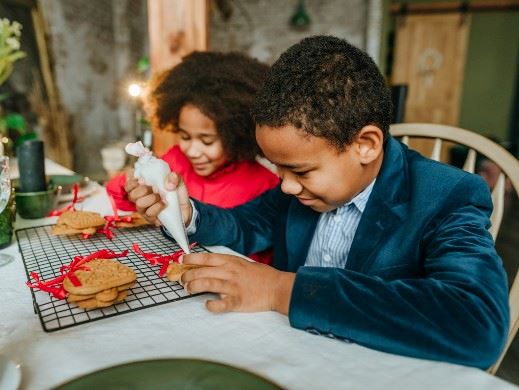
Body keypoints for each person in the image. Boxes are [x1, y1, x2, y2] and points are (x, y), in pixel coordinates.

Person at [126, 36, 509, 369]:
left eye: (301, 172)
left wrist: (283, 290)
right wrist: (186, 212)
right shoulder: (298, 188)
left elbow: (476, 324)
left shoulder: (446, 197)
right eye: (278, 170)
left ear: (365, 145)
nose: (287, 187)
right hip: (292, 354)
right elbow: (246, 225)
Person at [107, 51, 279, 263]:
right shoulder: (175, 160)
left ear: (236, 134)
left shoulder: (265, 183)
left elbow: (258, 250)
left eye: (207, 141)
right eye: (185, 136)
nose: (192, 151)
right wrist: (131, 184)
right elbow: (119, 198)